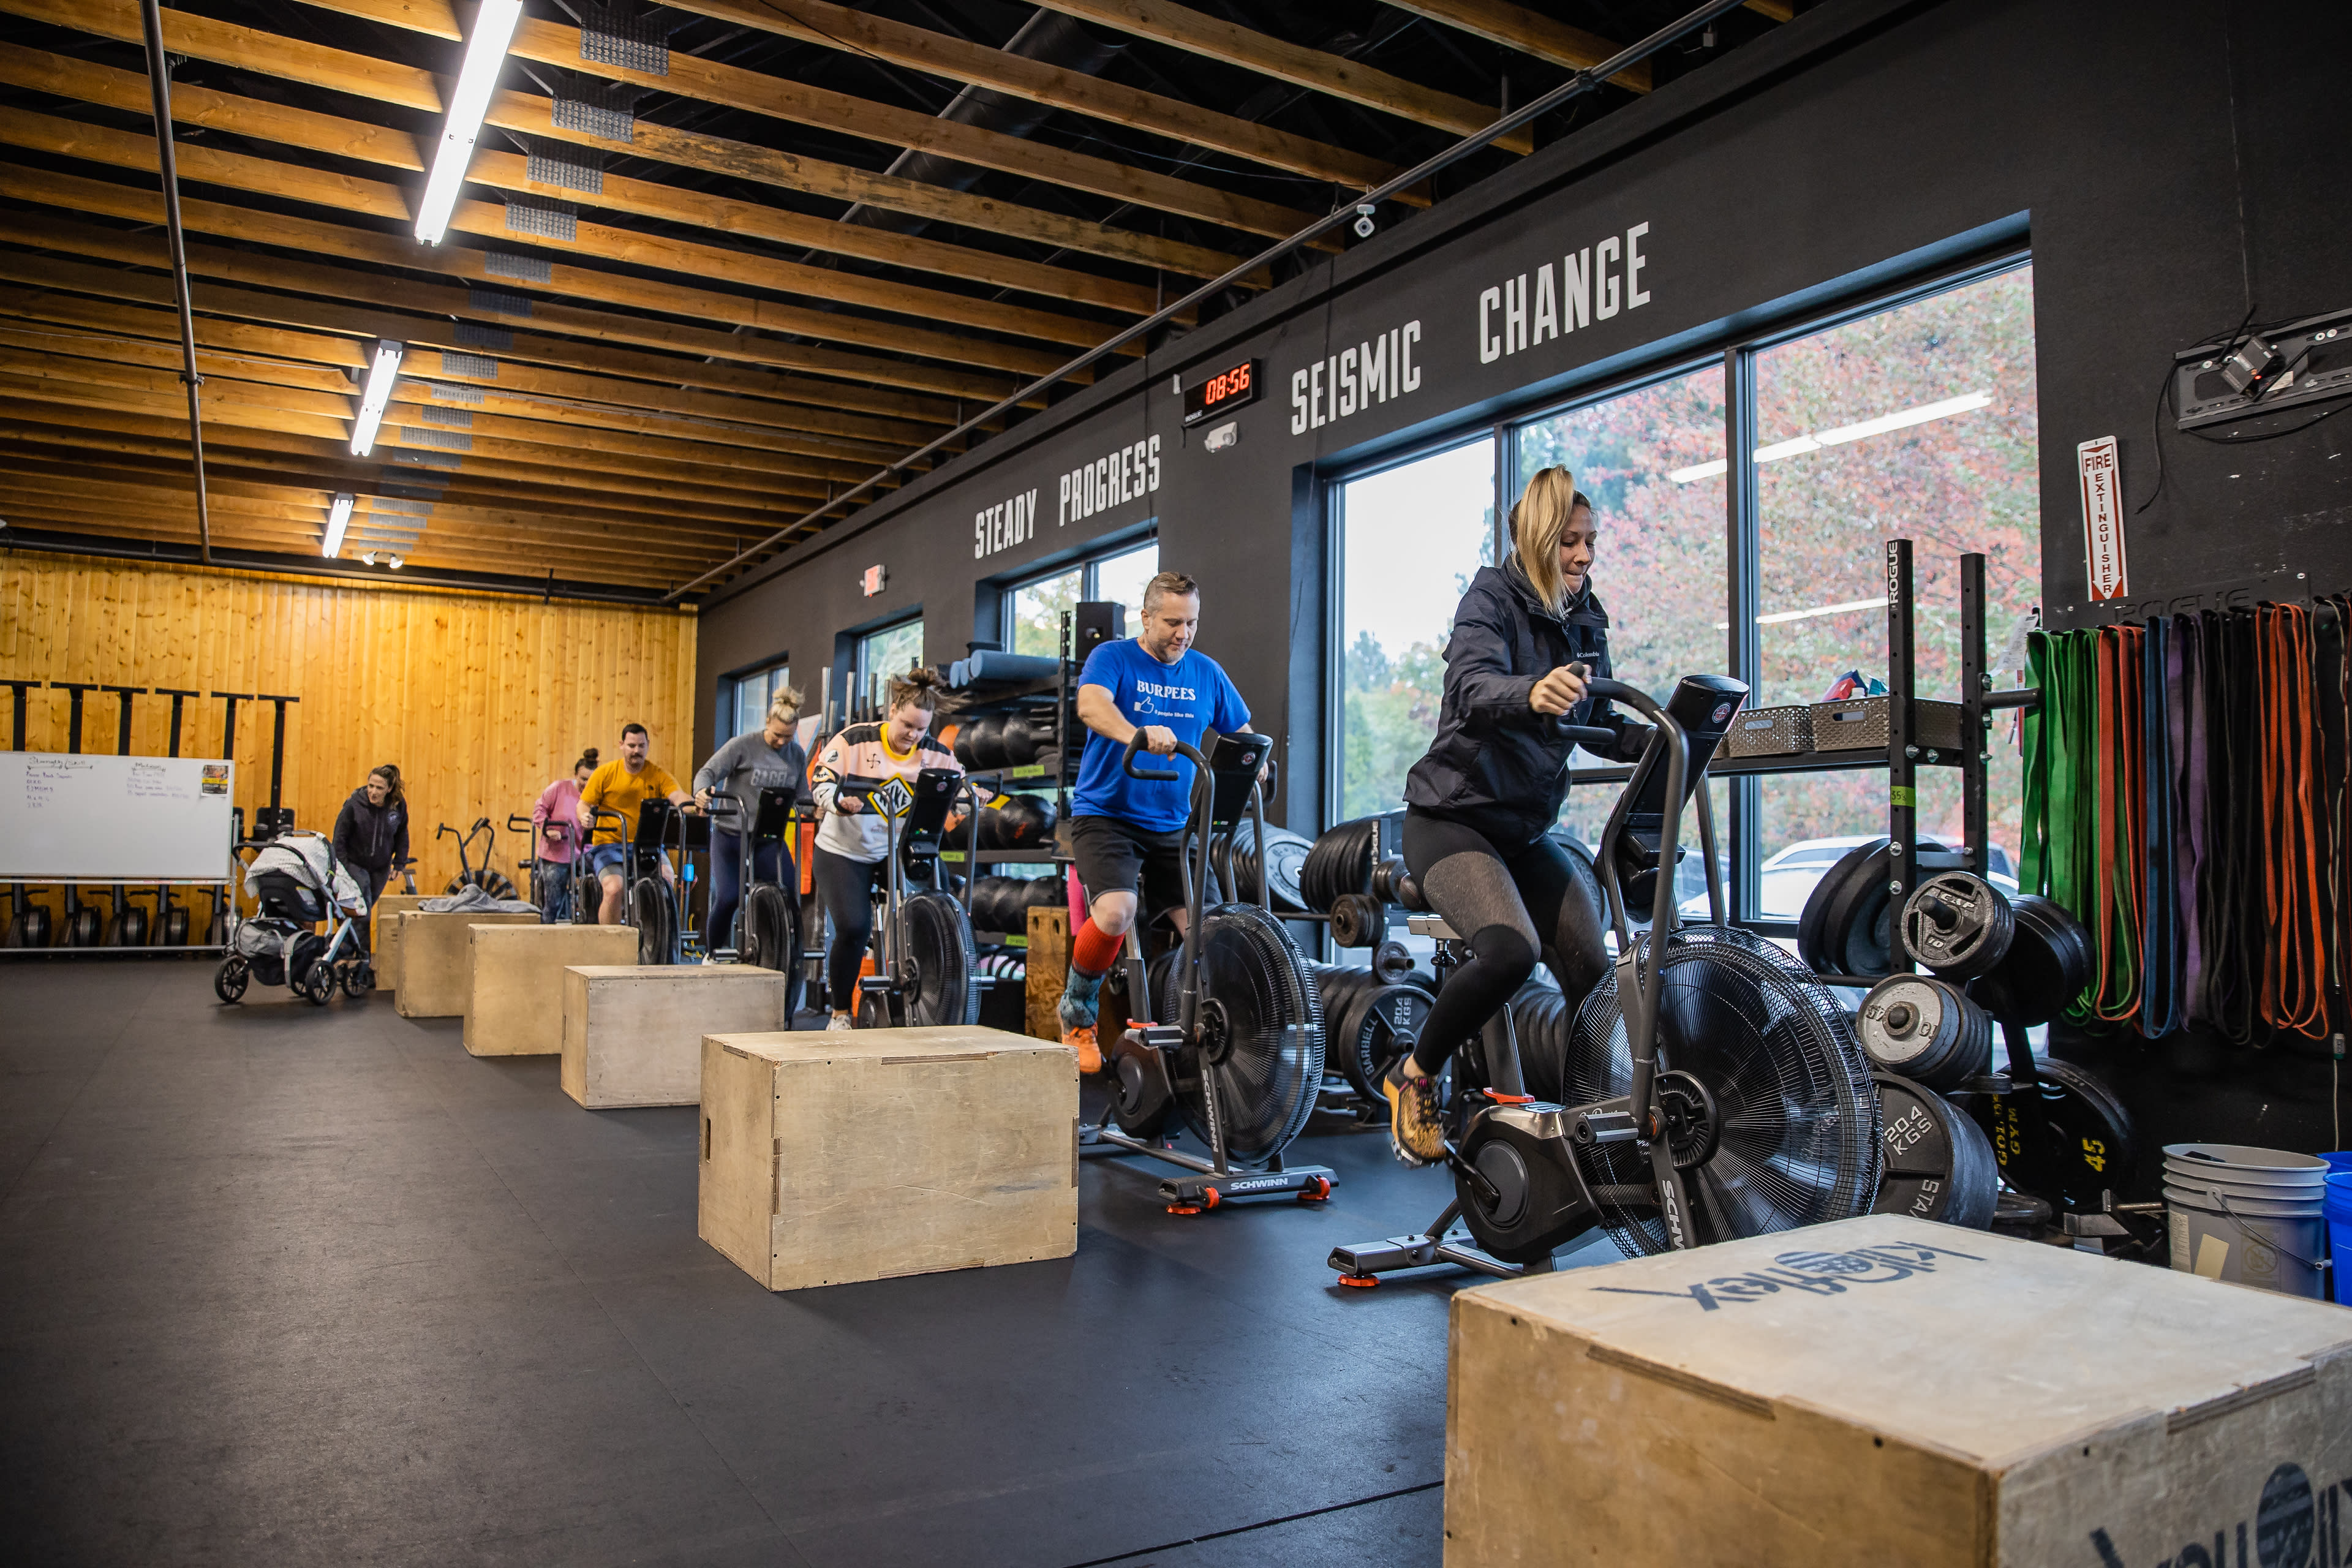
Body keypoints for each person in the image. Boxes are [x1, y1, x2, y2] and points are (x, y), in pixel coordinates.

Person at [1381, 467, 1651, 1166]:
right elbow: (1472, 688)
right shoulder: (1490, 596)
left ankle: (1598, 1121)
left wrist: (1657, 735)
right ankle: (1412, 1075)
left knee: (1594, 970)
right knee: (1512, 951)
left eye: (1590, 541)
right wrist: (1533, 692)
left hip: (1525, 830)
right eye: (1569, 542)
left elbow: (1598, 718)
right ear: (1537, 539)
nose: (1585, 557)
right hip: (1452, 820)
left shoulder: (1585, 614)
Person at [1054, 570, 1261, 1073]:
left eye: (1190, 623)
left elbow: (1243, 733)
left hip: (1173, 824)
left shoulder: (1206, 672)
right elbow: (1090, 704)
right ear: (1145, 618)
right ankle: (1076, 1015)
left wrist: (1255, 763)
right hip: (1106, 816)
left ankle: (1199, 1024)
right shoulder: (1113, 658)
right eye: (1171, 622)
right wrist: (1136, 735)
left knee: (1210, 930)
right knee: (1116, 913)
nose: (1182, 634)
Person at [807, 668, 962, 1030]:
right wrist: (837, 801)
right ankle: (841, 1014)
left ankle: (930, 1000)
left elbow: (960, 786)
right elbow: (821, 780)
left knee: (933, 912)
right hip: (843, 849)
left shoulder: (935, 753)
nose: (914, 735)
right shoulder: (855, 740)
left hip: (894, 848)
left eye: (922, 729)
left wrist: (975, 797)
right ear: (893, 710)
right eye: (908, 725)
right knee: (854, 926)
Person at [694, 689, 810, 962]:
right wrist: (702, 791)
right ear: (768, 721)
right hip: (731, 834)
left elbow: (803, 796)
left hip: (768, 837)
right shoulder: (742, 745)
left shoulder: (796, 754)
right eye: (777, 735)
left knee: (786, 896)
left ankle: (777, 957)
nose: (782, 742)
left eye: (788, 736)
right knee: (729, 897)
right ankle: (713, 954)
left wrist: (820, 808)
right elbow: (707, 773)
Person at [576, 723, 695, 925]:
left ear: (648, 745)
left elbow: (677, 796)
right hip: (609, 844)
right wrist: (584, 817)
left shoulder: (657, 775)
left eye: (641, 746)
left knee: (667, 878)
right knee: (614, 888)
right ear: (622, 745)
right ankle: (610, 943)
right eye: (631, 746)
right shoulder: (605, 773)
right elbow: (584, 804)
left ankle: (652, 934)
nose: (636, 751)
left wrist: (693, 806)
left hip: (647, 846)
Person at [332, 764, 416, 948]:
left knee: (364, 910)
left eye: (379, 788)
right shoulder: (354, 804)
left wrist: (399, 864)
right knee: (363, 910)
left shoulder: (397, 806)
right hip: (354, 864)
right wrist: (343, 865)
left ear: (389, 789)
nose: (373, 792)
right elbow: (339, 838)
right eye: (371, 786)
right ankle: (362, 957)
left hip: (380, 867)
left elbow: (402, 835)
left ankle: (342, 948)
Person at [530, 748, 598, 922]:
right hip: (556, 854)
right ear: (576, 775)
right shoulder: (559, 788)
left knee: (599, 889)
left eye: (591, 780)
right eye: (583, 779)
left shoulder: (597, 796)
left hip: (584, 853)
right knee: (553, 903)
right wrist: (547, 829)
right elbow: (540, 809)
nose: (586, 784)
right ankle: (546, 934)